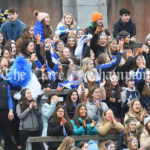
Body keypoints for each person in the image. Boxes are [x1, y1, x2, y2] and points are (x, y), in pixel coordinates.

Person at [0, 71, 14, 150]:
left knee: (7, 135)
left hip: (5, 111)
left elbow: (9, 96)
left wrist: (11, 110)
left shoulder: (6, 80)